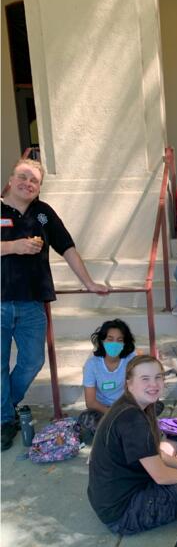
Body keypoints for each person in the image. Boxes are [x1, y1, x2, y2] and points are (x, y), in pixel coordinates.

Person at [1, 158, 109, 450]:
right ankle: (4, 420)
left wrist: (89, 282)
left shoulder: (43, 213)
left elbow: (67, 247)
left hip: (32, 302)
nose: (28, 183)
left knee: (33, 361)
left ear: (39, 188)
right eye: (23, 177)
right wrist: (12, 247)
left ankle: (5, 407)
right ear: (10, 180)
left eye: (34, 181)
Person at [87, 355, 177, 536]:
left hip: (112, 497)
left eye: (158, 377)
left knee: (173, 442)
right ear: (129, 384)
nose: (153, 384)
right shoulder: (133, 420)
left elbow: (155, 454)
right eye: (145, 379)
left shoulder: (130, 405)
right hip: (124, 513)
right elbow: (161, 477)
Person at [80, 319, 138, 425]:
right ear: (102, 341)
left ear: (125, 343)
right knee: (87, 419)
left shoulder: (131, 359)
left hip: (126, 406)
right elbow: (90, 402)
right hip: (102, 409)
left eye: (119, 340)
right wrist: (113, 413)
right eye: (110, 339)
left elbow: (139, 387)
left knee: (149, 406)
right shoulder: (92, 365)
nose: (114, 344)